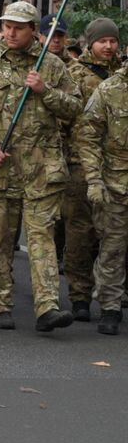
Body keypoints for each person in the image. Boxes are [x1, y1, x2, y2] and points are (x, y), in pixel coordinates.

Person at [0, 1, 80, 331]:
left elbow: (74, 108)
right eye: (7, 25)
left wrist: (45, 91)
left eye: (19, 27)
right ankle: (0, 303)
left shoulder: (52, 66)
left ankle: (47, 307)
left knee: (42, 239)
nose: (11, 32)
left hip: (41, 169)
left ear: (33, 32)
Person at [62, 17, 120, 320]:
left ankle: (112, 291)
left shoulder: (122, 75)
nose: (108, 47)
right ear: (90, 43)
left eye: (113, 41)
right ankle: (80, 293)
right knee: (80, 232)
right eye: (102, 41)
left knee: (112, 234)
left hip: (117, 168)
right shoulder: (74, 74)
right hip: (79, 164)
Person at [74, 61, 128, 335]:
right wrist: (94, 179)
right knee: (113, 248)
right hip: (117, 185)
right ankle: (110, 305)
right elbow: (88, 137)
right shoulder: (109, 90)